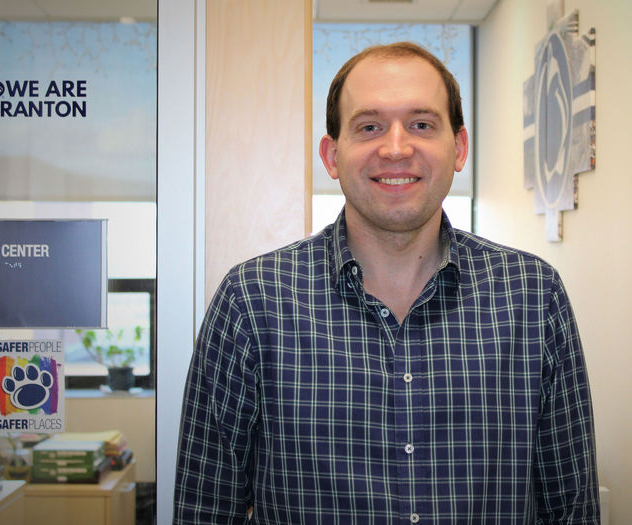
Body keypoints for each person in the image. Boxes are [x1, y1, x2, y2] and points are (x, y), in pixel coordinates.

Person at [174, 42, 599, 524]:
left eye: (421, 124)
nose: (396, 148)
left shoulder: (533, 295)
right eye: (369, 126)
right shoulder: (252, 302)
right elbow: (204, 509)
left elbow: (573, 508)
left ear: (458, 148)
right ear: (332, 156)